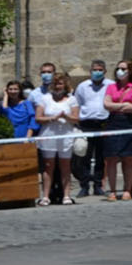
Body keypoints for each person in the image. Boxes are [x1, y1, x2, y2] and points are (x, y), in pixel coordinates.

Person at [35, 73, 79, 206]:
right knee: (48, 167)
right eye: (55, 83)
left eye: (60, 83)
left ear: (65, 85)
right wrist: (51, 119)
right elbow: (38, 118)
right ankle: (46, 196)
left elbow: (76, 118)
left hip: (66, 136)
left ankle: (66, 195)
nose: (57, 86)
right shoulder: (44, 99)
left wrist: (66, 116)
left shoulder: (72, 100)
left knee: (65, 166)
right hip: (49, 136)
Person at [73, 61, 110, 198]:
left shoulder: (110, 85)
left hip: (103, 124)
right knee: (84, 156)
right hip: (86, 124)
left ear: (105, 71)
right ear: (90, 71)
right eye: (95, 69)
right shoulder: (82, 86)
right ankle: (84, 185)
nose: (97, 72)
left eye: (100, 69)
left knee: (101, 156)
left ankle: (98, 185)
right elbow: (77, 103)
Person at [101, 60, 132, 199]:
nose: (120, 71)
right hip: (113, 122)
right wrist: (123, 105)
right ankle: (112, 190)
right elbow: (106, 104)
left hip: (129, 123)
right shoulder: (111, 87)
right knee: (111, 158)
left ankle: (127, 190)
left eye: (123, 68)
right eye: (118, 68)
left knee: (128, 158)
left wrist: (121, 106)